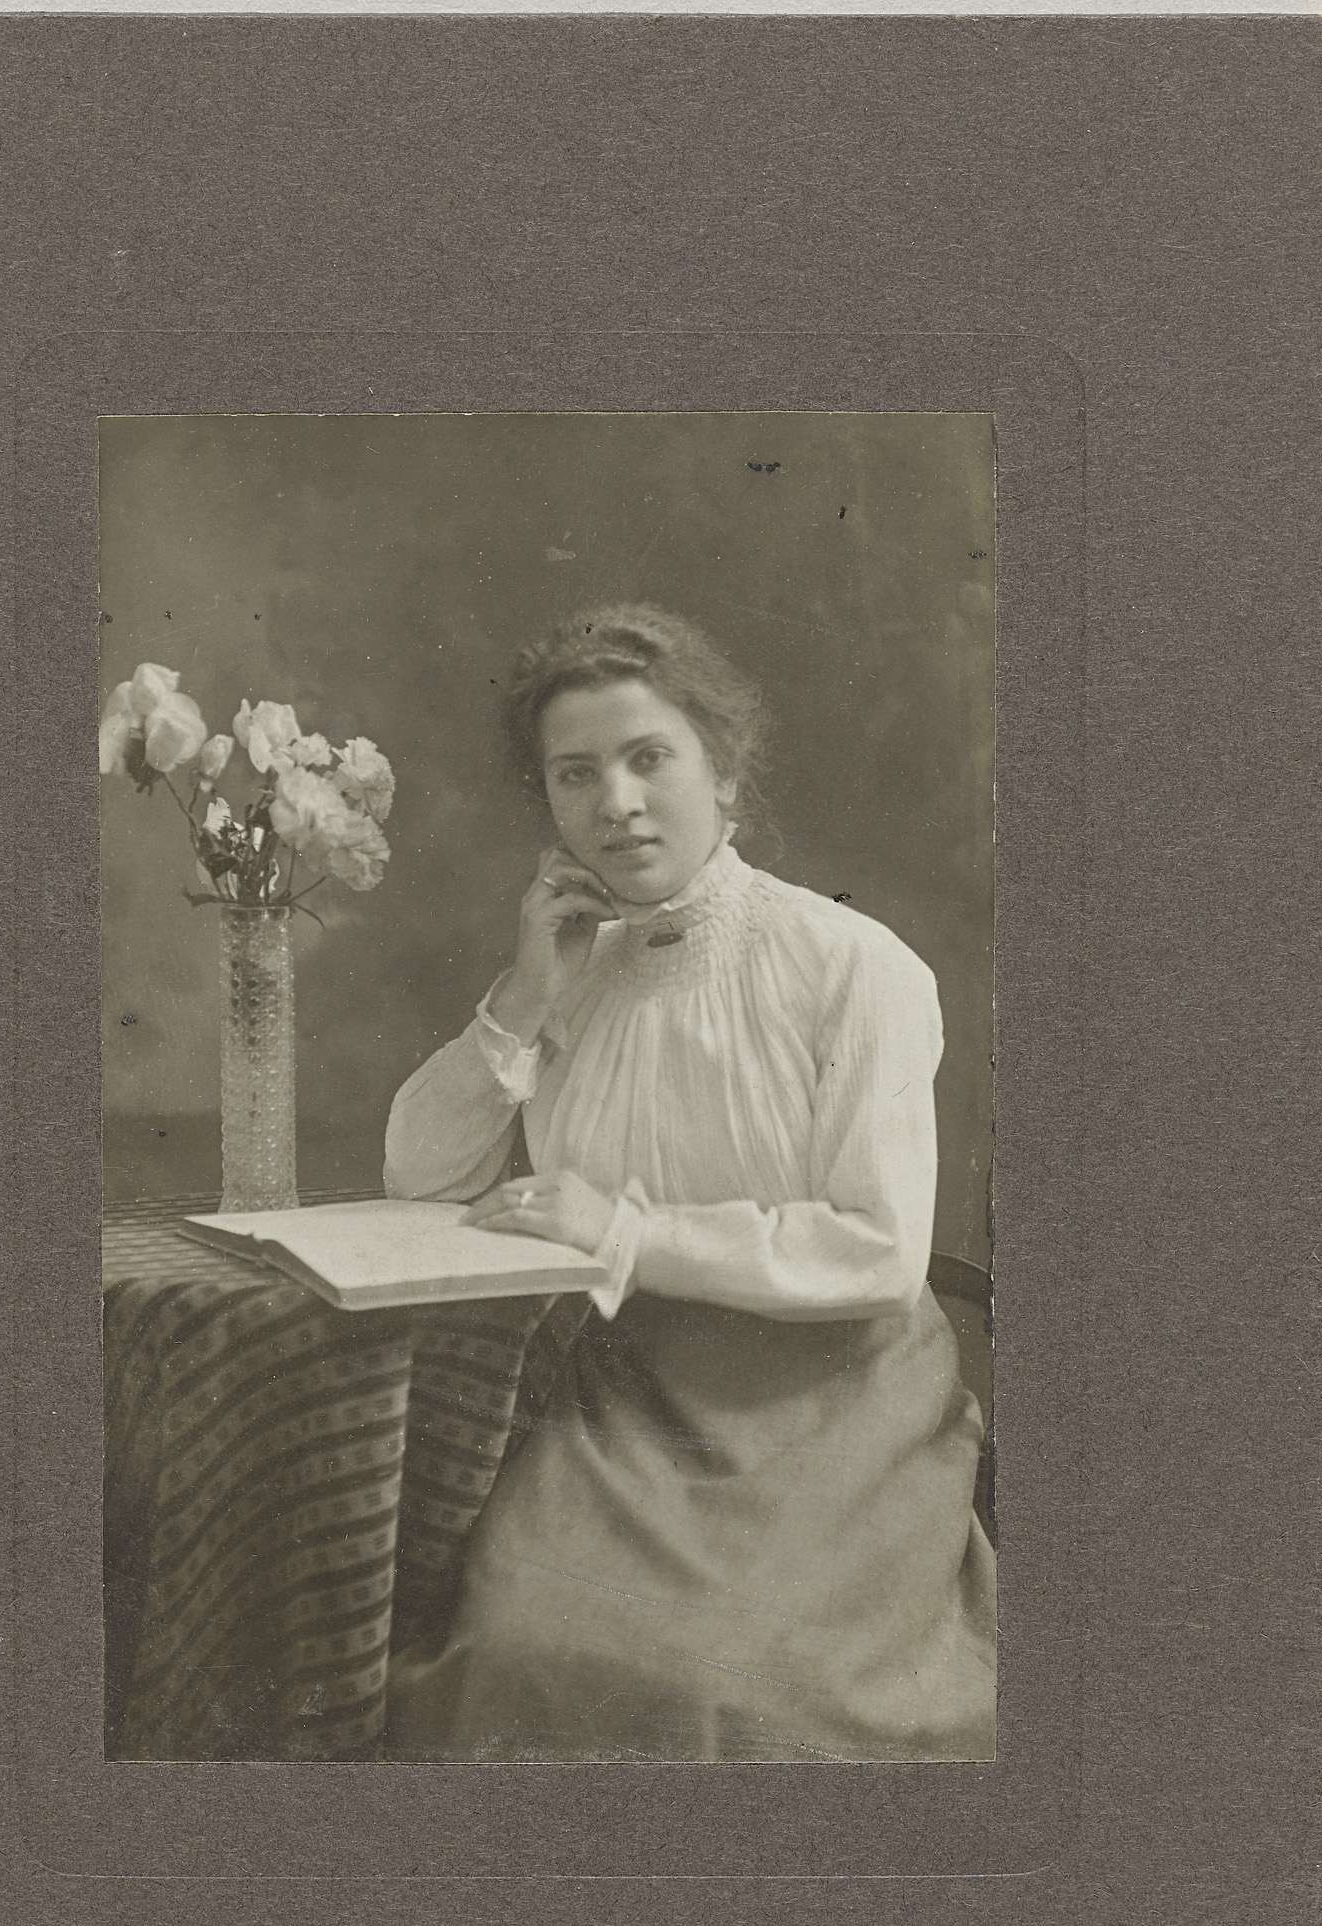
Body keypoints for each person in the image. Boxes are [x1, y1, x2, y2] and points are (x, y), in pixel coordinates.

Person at [382, 604, 996, 1763]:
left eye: (647, 758)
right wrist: (523, 996)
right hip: (628, 1401)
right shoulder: (574, 970)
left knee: (733, 1691)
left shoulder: (853, 967)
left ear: (724, 770)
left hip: (838, 1403)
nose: (614, 803)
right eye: (575, 775)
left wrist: (620, 1229)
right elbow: (421, 1173)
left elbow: (878, 1250)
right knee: (514, 1653)